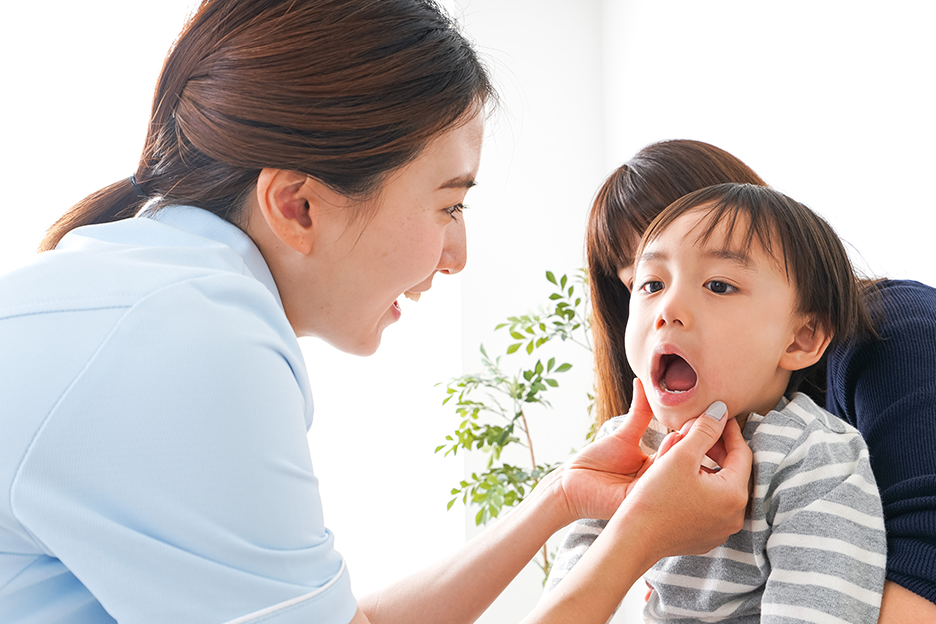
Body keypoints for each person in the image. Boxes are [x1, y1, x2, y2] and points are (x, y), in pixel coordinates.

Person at [0, 3, 754, 623]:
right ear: (297, 205)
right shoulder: (190, 343)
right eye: (449, 205)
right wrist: (634, 540)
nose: (456, 255)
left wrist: (559, 500)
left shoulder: (151, 290)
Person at [549, 139, 936, 622]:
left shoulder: (817, 452)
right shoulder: (627, 443)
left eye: (717, 284)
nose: (669, 309)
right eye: (648, 283)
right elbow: (569, 593)